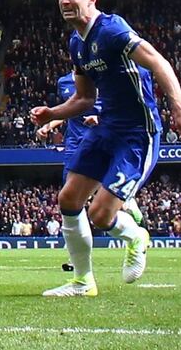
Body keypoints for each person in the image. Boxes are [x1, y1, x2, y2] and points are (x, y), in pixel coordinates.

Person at [31, 0, 181, 297]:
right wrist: (53, 113)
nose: (66, 2)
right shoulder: (76, 43)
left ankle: (136, 236)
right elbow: (84, 98)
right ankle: (83, 283)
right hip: (107, 127)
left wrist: (179, 109)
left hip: (138, 133)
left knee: (100, 214)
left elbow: (158, 62)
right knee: (68, 199)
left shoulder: (111, 30)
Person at [35, 71, 143, 273]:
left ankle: (125, 202)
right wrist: (49, 124)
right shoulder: (64, 81)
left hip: (99, 138)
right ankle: (78, 263)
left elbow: (112, 104)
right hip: (74, 144)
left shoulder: (100, 74)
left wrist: (100, 117)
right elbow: (71, 107)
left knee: (94, 203)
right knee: (71, 198)